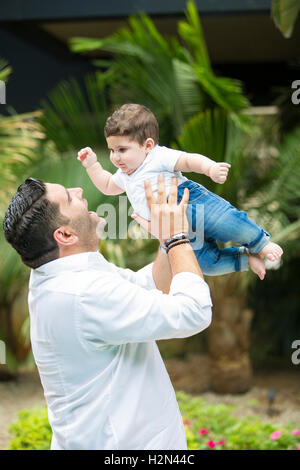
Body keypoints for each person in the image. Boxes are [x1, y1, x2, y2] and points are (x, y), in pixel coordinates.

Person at [2, 175, 212, 450]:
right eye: (69, 196)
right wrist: (177, 239)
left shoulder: (60, 274)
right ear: (65, 235)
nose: (79, 189)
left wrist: (165, 238)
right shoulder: (84, 293)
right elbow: (195, 311)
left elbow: (147, 287)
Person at [78, 103, 283, 281]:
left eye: (122, 150)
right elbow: (106, 185)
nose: (115, 157)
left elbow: (187, 160)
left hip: (189, 202)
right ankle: (244, 259)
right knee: (204, 264)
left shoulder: (157, 157)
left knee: (226, 222)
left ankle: (260, 242)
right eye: (112, 150)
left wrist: (209, 168)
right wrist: (92, 165)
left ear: (147, 145)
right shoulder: (124, 174)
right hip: (173, 228)